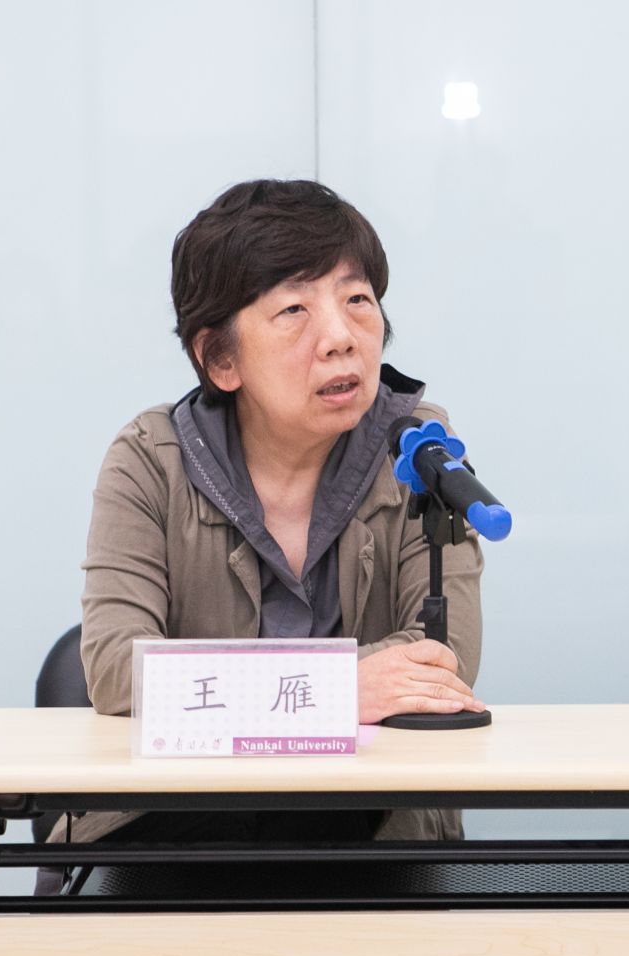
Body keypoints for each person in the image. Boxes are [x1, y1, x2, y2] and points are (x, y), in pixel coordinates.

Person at [55, 178, 485, 858]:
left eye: (357, 300)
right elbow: (117, 667)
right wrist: (339, 690)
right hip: (174, 832)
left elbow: (442, 658)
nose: (340, 337)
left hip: (372, 834)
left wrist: (239, 693)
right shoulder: (149, 460)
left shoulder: (419, 450)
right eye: (294, 310)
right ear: (221, 359)